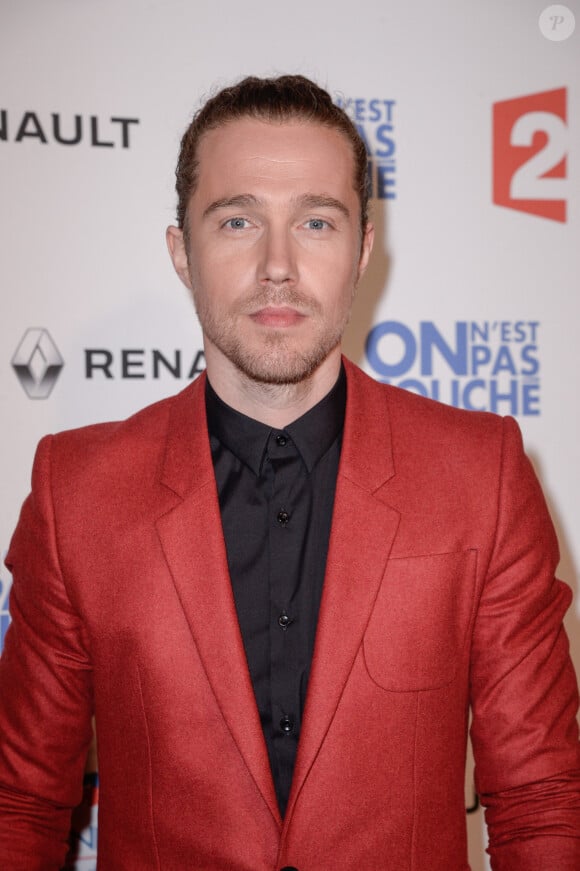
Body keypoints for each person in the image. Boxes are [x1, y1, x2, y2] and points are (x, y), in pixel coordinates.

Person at [0, 74, 579, 871]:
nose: (278, 263)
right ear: (181, 252)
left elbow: (543, 799)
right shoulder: (79, 491)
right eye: (238, 220)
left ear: (363, 249)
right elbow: (20, 805)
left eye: (316, 220)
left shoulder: (481, 475)